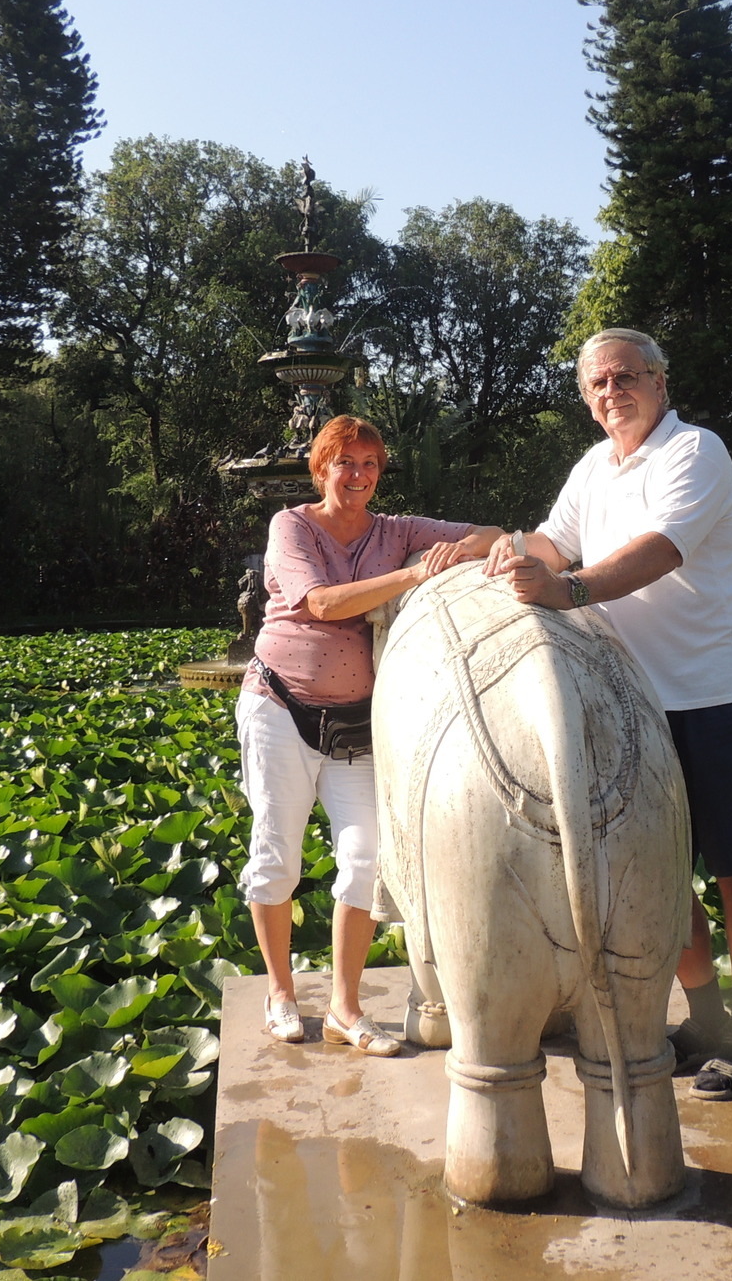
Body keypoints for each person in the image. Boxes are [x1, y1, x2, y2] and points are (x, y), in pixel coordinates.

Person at [485, 329, 732, 1099]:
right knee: (655, 867)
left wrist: (569, 590)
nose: (612, 391)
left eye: (625, 376)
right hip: (630, 696)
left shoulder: (696, 452)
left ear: (659, 380)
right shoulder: (594, 467)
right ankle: (705, 1018)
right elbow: (552, 542)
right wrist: (492, 549)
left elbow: (661, 549)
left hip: (711, 690)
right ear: (587, 400)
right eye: (598, 384)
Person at [240, 415, 501, 1055]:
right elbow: (323, 603)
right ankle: (280, 993)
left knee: (366, 862)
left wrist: (456, 552)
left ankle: (344, 1008)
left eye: (369, 464)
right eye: (345, 462)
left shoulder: (397, 531)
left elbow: (495, 535)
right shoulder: (291, 526)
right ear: (320, 468)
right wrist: (414, 576)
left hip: (356, 720)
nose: (357, 475)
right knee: (277, 857)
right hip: (280, 707)